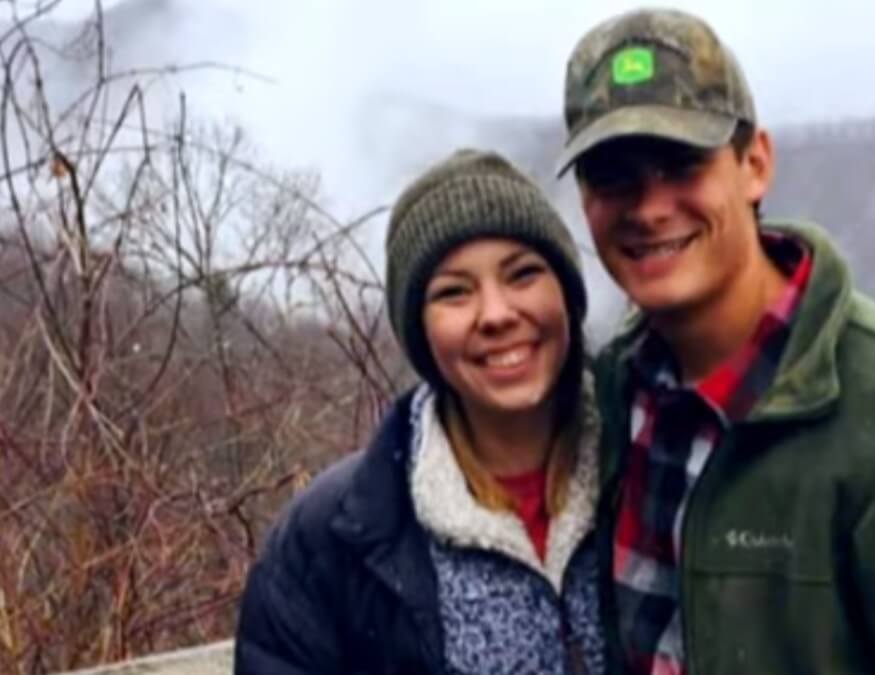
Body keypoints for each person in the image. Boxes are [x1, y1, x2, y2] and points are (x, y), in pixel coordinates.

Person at [555, 8, 875, 675]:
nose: (649, 206)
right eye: (613, 175)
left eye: (682, 164)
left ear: (754, 164)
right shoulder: (613, 394)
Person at [234, 149, 604, 675]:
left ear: (566, 294)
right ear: (421, 332)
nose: (497, 314)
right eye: (454, 292)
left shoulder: (654, 468)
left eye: (522, 275)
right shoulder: (333, 541)